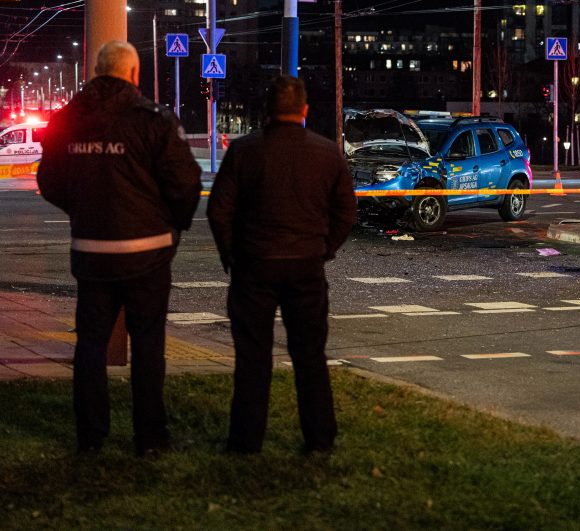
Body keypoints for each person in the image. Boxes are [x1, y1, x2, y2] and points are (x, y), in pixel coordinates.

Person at [37, 40, 202, 455]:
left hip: (91, 252)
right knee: (148, 345)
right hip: (147, 251)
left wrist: (81, 210)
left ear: (95, 71)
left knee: (90, 344)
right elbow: (185, 185)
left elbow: (49, 181)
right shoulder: (153, 119)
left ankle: (90, 438)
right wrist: (172, 227)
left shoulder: (67, 120)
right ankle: (150, 439)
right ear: (133, 74)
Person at [207, 75, 357, 454]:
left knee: (252, 357)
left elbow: (219, 209)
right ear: (304, 110)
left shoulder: (244, 152)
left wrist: (232, 255)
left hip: (254, 267)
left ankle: (245, 441)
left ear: (267, 111)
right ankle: (320, 440)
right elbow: (346, 210)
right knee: (309, 356)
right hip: (306, 266)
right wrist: (325, 248)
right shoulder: (327, 153)